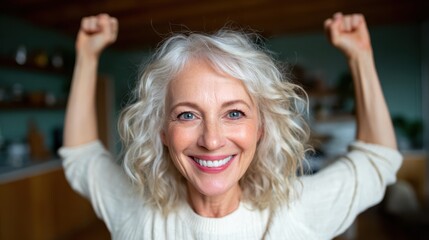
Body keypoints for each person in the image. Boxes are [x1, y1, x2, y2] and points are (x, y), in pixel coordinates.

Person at [60, 12, 402, 239]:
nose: (211, 140)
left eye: (234, 113)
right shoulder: (138, 213)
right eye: (187, 115)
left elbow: (377, 162)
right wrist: (88, 57)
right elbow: (81, 157)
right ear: (162, 131)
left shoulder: (294, 214)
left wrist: (360, 56)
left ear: (261, 128)